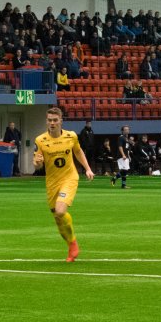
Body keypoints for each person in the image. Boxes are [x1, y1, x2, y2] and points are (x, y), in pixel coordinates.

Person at [32, 107, 95, 262]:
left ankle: (73, 245)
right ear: (46, 121)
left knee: (60, 211)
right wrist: (37, 163)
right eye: (49, 120)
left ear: (61, 120)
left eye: (55, 120)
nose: (52, 123)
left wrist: (87, 169)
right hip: (52, 182)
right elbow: (37, 165)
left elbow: (78, 152)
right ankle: (71, 244)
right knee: (58, 218)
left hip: (69, 177)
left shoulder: (71, 136)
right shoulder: (40, 140)